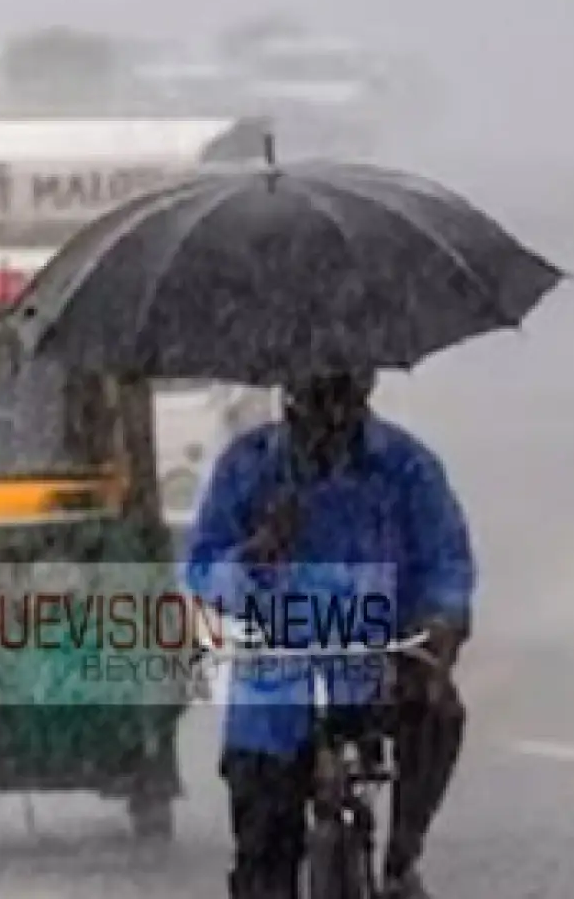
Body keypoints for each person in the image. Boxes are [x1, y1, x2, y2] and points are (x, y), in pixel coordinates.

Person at [183, 370, 474, 899]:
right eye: (312, 397)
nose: (326, 416)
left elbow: (446, 559)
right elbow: (202, 569)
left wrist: (439, 623)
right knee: (261, 867)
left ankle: (401, 859)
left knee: (439, 713)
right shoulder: (248, 468)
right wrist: (254, 553)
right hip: (275, 686)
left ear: (364, 388)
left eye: (340, 394)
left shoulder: (405, 467)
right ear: (288, 395)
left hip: (377, 664)